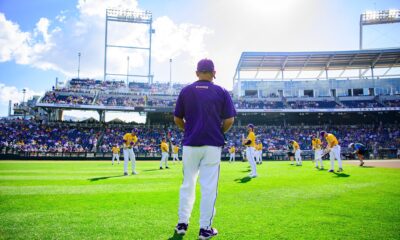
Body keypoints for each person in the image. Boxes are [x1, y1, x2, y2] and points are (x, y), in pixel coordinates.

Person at [173, 59, 236, 239]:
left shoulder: (186, 90)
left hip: (191, 144)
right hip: (212, 144)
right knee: (209, 188)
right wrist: (217, 130)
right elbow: (230, 120)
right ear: (214, 72)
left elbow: (177, 118)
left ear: (197, 72)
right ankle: (205, 229)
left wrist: (190, 130)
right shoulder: (221, 91)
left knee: (187, 184)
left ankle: (182, 224)